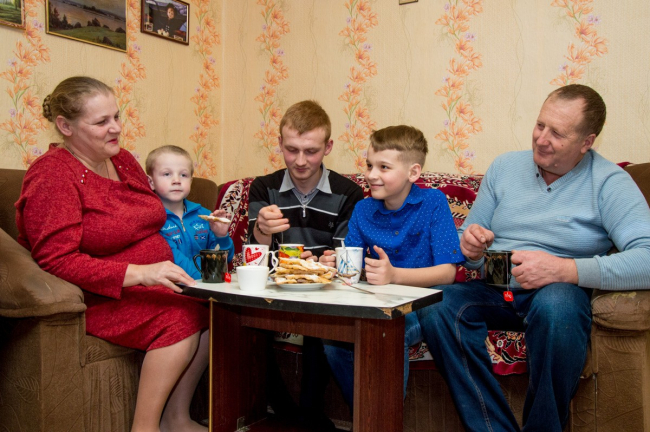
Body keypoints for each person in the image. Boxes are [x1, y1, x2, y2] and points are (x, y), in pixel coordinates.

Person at [416, 84, 650, 432]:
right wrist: (472, 250)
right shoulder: (505, 167)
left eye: (557, 133)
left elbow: (646, 259)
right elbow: (469, 245)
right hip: (495, 287)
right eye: (540, 125)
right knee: (435, 305)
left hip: (557, 293)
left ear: (586, 142)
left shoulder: (609, 182)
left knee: (557, 307)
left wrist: (564, 269)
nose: (541, 139)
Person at [15, 76, 209, 432]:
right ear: (66, 126)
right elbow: (55, 260)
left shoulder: (123, 161)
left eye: (117, 116)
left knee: (213, 309)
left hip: (146, 286)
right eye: (102, 121)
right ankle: (144, 428)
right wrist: (142, 273)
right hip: (97, 296)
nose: (116, 128)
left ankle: (176, 419)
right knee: (182, 316)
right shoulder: (52, 174)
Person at [318, 125, 463, 407]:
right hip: (373, 302)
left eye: (384, 167)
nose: (372, 175)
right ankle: (368, 417)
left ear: (413, 172)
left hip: (420, 306)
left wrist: (394, 275)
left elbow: (448, 273)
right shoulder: (363, 209)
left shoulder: (433, 202)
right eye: (369, 165)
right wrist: (333, 264)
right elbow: (351, 262)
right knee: (334, 341)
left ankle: (383, 417)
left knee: (388, 333)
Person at [247, 100, 364, 430]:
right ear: (279, 144)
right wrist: (261, 231)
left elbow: (344, 257)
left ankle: (310, 413)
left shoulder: (348, 193)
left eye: (311, 151)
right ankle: (285, 412)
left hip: (324, 292)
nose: (300, 161)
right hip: (274, 290)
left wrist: (327, 262)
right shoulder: (264, 187)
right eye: (291, 150)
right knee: (240, 320)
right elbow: (254, 257)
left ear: (328, 147)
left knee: (322, 321)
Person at [146, 145, 234, 280]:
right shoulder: (152, 220)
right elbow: (174, 259)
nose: (176, 180)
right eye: (167, 174)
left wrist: (221, 236)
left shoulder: (204, 215)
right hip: (177, 285)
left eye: (183, 175)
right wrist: (203, 282)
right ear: (151, 182)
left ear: (191, 181)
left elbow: (225, 260)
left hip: (206, 285)